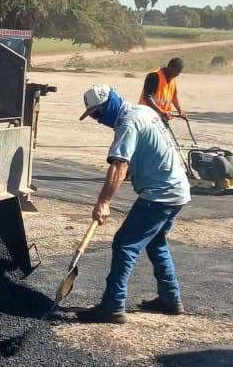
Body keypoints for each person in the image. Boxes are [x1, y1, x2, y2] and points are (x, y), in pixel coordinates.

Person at [79, 83, 191, 322]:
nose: (97, 120)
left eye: (98, 114)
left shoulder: (128, 124)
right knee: (156, 242)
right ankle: (171, 299)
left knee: (124, 244)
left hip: (161, 194)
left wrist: (103, 202)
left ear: (110, 105)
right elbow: (143, 154)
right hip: (177, 190)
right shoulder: (143, 112)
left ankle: (113, 305)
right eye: (93, 117)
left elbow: (119, 165)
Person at [139, 57, 187, 125]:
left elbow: (174, 97)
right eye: (177, 71)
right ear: (170, 67)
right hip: (146, 117)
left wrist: (180, 111)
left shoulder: (172, 79)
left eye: (179, 72)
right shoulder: (154, 76)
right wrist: (162, 111)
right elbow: (147, 97)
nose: (178, 74)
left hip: (161, 118)